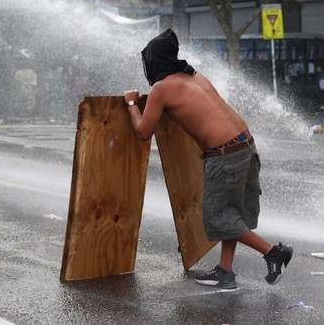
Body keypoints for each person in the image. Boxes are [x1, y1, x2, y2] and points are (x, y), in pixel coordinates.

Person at [122, 29, 292, 290]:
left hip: (225, 155)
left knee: (219, 218)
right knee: (231, 215)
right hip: (245, 144)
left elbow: (143, 132)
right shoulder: (195, 76)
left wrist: (132, 104)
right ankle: (225, 272)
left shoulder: (161, 88)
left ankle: (272, 252)